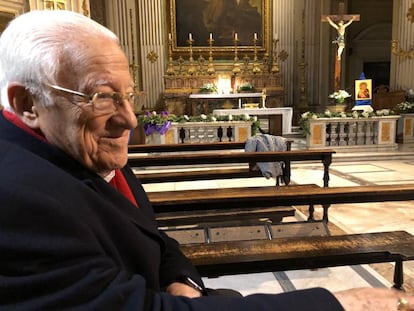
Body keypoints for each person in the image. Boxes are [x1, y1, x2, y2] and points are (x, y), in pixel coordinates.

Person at [0, 9, 413, 311]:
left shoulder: (81, 145)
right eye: (102, 97)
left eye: (129, 95)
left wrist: (180, 277)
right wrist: (342, 301)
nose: (128, 119)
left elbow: (152, 238)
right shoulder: (16, 200)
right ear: (27, 103)